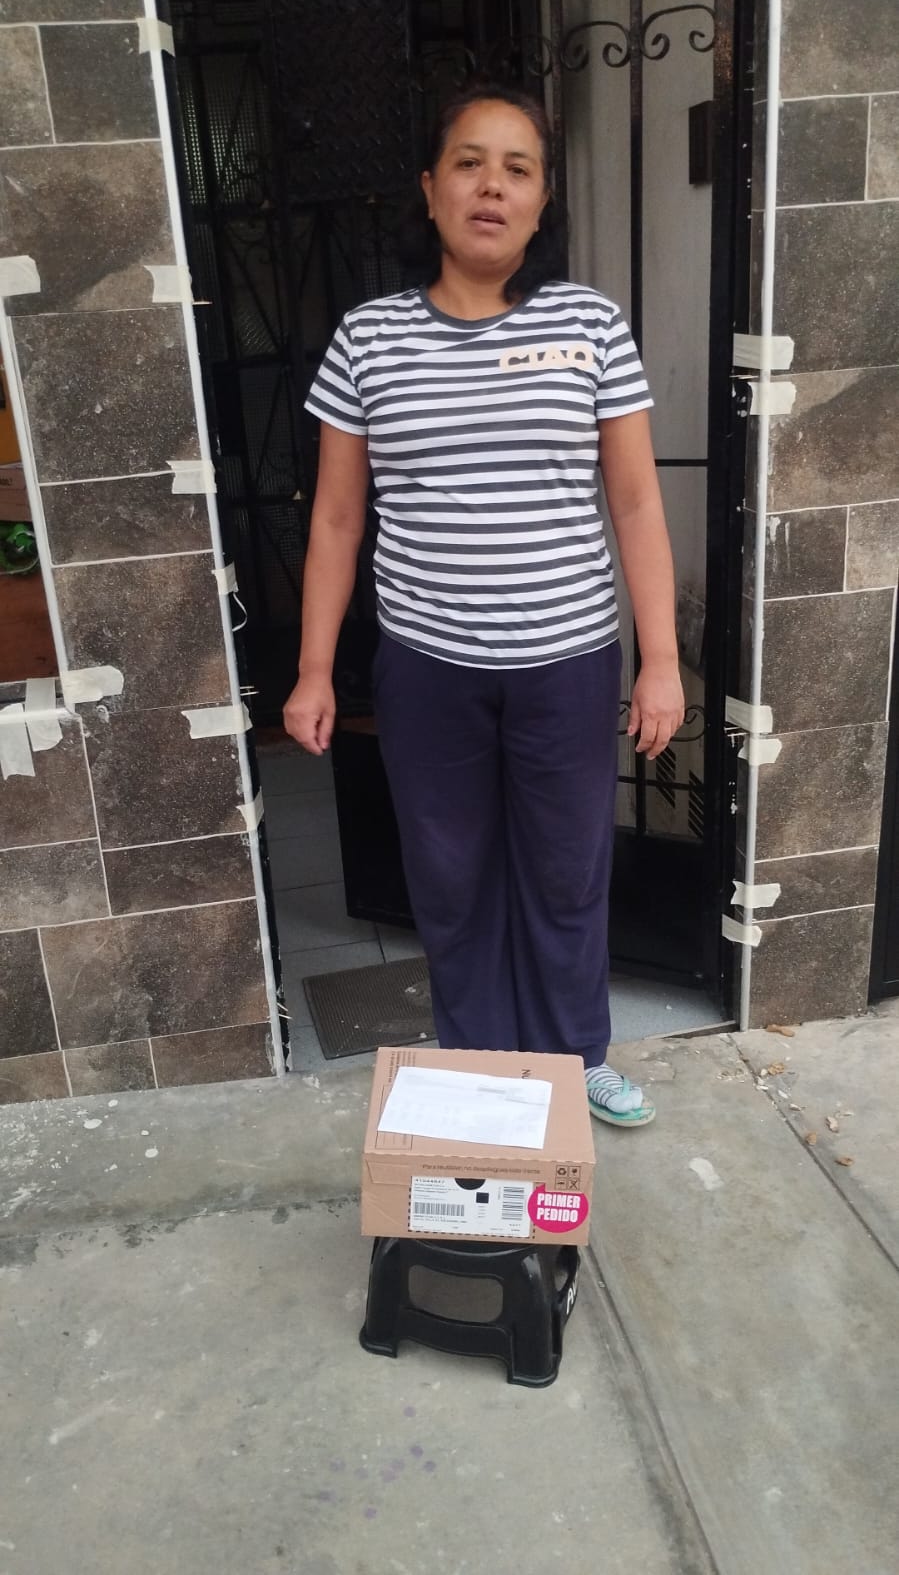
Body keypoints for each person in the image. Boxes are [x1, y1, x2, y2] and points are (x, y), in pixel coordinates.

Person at [284, 84, 685, 1128]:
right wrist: (315, 669)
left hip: (566, 659)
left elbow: (635, 502)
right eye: (469, 163)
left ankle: (575, 1055)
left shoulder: (588, 326)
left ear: (541, 200)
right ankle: (475, 1059)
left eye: (516, 169)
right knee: (449, 874)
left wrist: (659, 659)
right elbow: (336, 518)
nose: (490, 187)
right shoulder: (368, 339)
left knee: (564, 869)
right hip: (427, 664)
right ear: (430, 190)